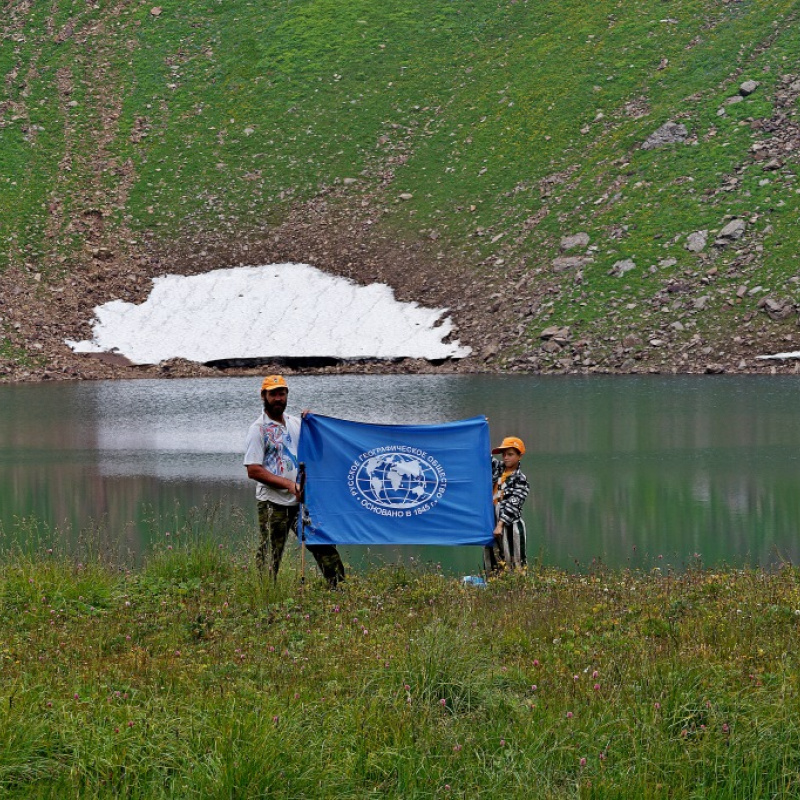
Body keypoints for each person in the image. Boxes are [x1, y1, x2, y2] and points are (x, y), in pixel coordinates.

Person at [243, 375, 345, 587]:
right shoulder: (258, 429)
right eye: (273, 394)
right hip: (272, 502)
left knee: (322, 542)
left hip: (302, 501)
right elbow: (253, 470)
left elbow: (317, 451)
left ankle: (339, 588)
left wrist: (313, 424)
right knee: (270, 553)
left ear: (287, 395)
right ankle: (265, 594)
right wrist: (289, 485)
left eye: (282, 393)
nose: (278, 398)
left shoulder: (296, 424)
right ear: (263, 396)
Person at [484, 436, 529, 574]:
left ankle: (518, 585)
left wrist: (500, 525)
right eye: (504, 454)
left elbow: (513, 504)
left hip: (510, 524)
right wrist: (478, 433)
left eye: (510, 454)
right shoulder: (498, 469)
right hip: (492, 520)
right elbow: (484, 457)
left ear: (519, 456)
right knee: (492, 557)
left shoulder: (521, 479)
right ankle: (494, 584)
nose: (506, 457)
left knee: (515, 558)